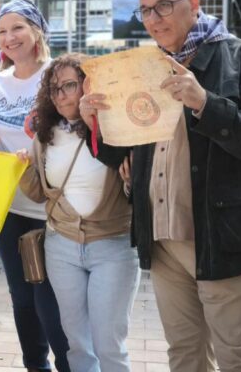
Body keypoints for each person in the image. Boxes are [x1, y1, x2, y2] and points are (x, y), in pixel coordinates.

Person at [81, 0, 241, 371]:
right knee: (183, 355)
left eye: (164, 6)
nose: (154, 18)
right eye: (145, 10)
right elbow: (120, 155)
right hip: (163, 243)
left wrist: (205, 104)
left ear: (194, 5)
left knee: (240, 359)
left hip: (224, 238)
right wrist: (94, 122)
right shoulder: (144, 66)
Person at [18, 53, 139, 372]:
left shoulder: (116, 129)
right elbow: (38, 193)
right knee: (77, 344)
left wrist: (131, 181)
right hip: (61, 247)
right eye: (54, 89)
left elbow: (138, 192)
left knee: (108, 344)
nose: (61, 95)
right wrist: (23, 169)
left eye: (69, 85)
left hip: (112, 245)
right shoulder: (45, 135)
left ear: (89, 83)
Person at [0, 0, 70, 372]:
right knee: (21, 296)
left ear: (37, 31)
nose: (9, 37)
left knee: (49, 297)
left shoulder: (57, 75)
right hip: (11, 206)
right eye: (2, 31)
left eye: (17, 27)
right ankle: (36, 366)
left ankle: (68, 364)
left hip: (54, 208)